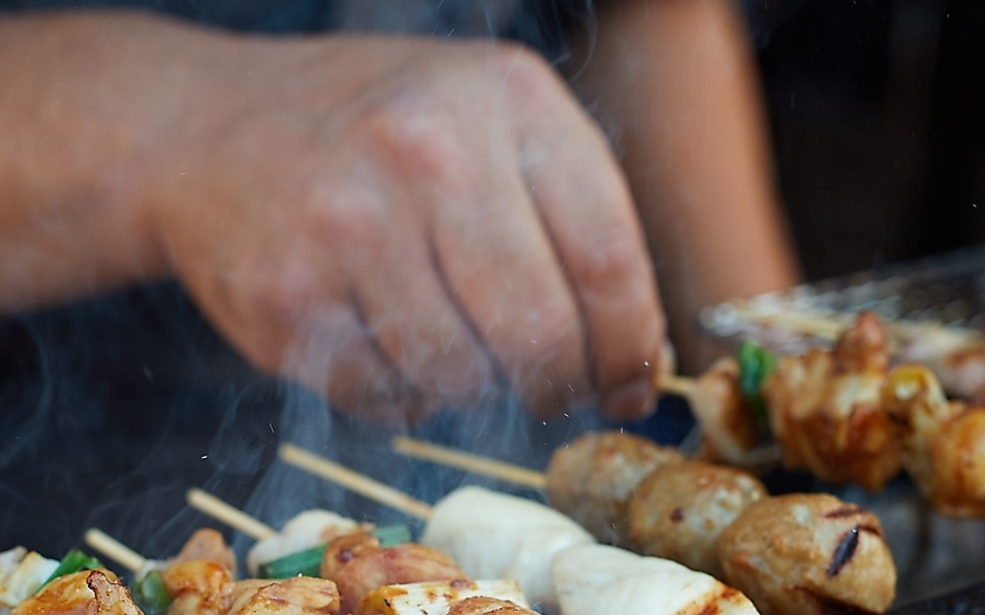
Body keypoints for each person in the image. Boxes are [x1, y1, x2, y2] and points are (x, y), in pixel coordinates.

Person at [0, 0, 797, 427]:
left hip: (473, 430)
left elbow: (641, 14)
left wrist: (776, 383)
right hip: (61, 452)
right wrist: (185, 127)